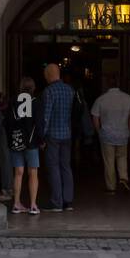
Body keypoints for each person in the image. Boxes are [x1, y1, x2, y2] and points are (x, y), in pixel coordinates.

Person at [91, 78, 130, 193]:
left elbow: (95, 117)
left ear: (107, 86)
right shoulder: (127, 98)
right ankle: (123, 177)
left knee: (109, 161)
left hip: (107, 135)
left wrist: (99, 131)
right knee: (122, 157)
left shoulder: (101, 99)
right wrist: (129, 127)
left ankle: (111, 187)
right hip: (123, 134)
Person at [40, 63, 76, 212]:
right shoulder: (70, 90)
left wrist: (41, 137)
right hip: (67, 134)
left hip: (53, 135)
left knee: (53, 167)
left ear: (48, 75)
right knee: (66, 167)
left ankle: (57, 202)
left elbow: (46, 117)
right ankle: (68, 201)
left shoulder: (48, 91)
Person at [6, 76, 41, 215]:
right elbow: (39, 123)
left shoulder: (14, 101)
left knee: (18, 173)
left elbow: (7, 122)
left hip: (16, 140)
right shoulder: (35, 101)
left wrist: (10, 139)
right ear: (33, 87)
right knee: (33, 172)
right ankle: (33, 205)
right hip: (31, 142)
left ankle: (16, 203)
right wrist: (41, 139)